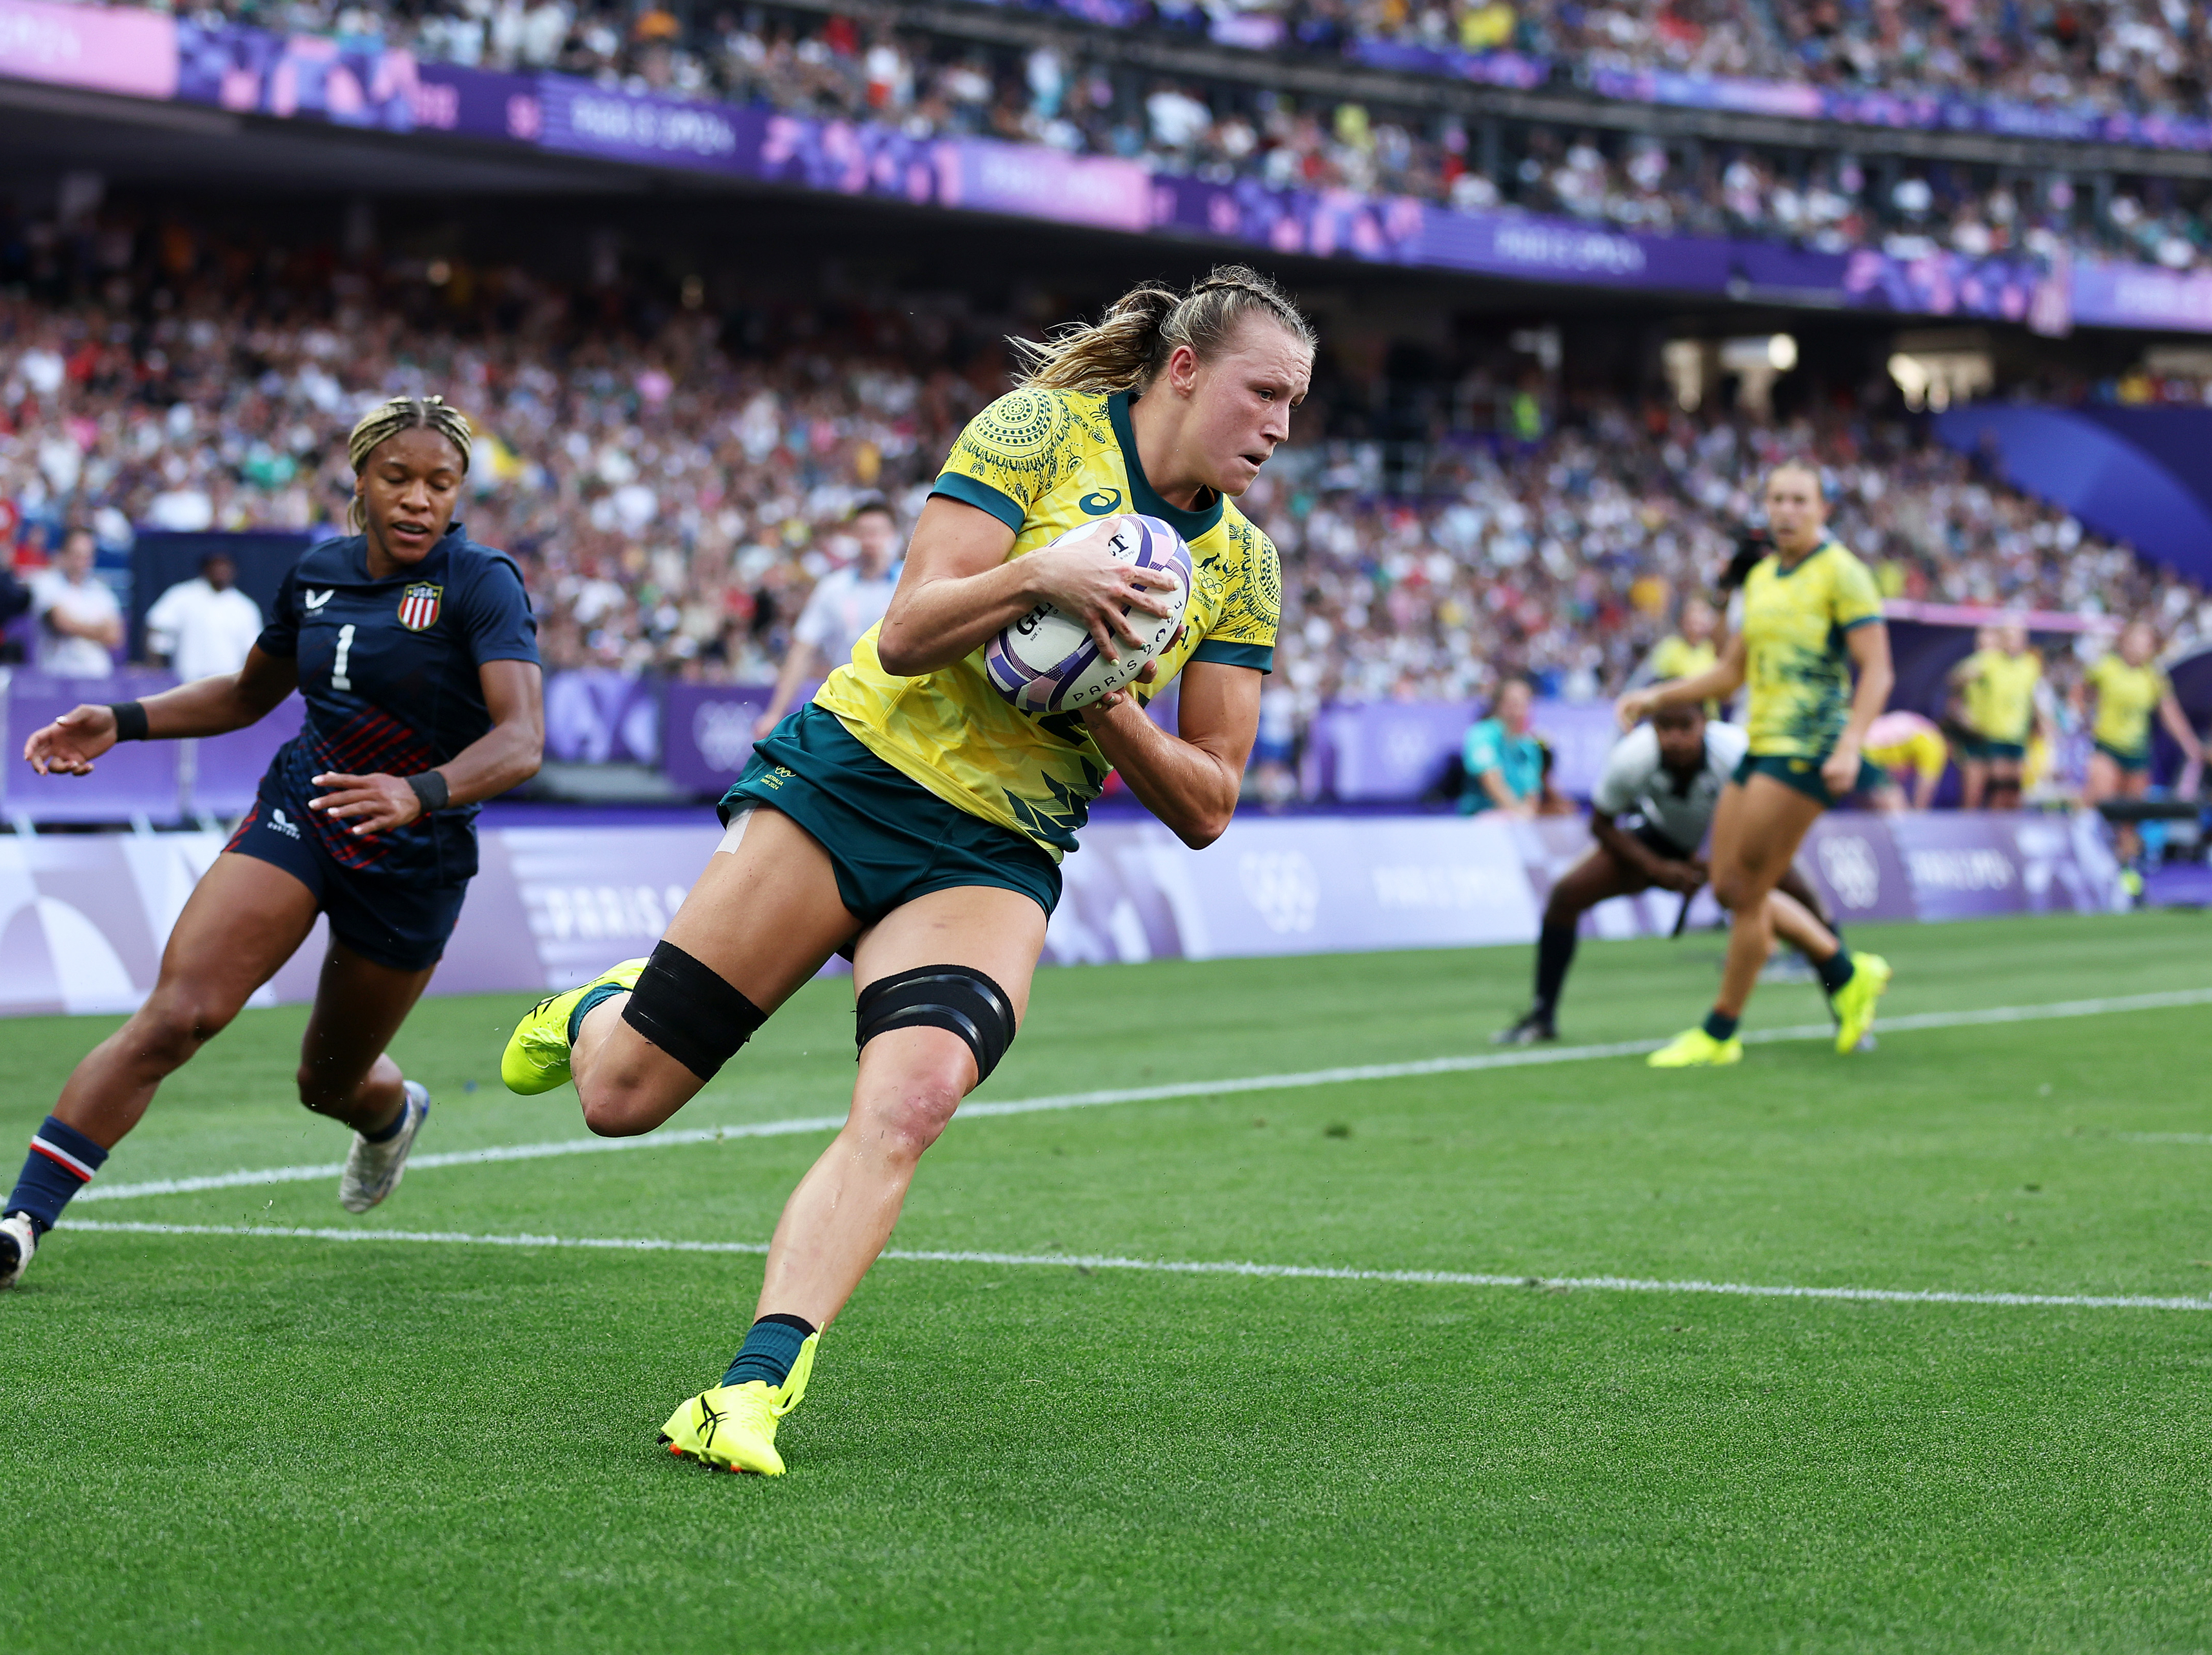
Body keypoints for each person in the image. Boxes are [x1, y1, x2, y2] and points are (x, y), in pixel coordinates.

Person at [498, 266, 1308, 1476]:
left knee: (916, 1095)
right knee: (620, 1098)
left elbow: (1210, 801)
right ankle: (600, 1010)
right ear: (1185, 372)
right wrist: (1046, 578)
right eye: (1264, 394)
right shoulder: (1037, 430)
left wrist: (1107, 705)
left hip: (998, 847)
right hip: (854, 780)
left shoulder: (1241, 566)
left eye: (1296, 404)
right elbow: (907, 629)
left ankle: (748, 1391)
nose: (1282, 429)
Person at [0, 397, 544, 1290]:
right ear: (358, 479)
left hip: (410, 858)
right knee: (180, 1013)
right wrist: (120, 721)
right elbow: (243, 696)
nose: (420, 499)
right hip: (302, 810)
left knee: (327, 1083)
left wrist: (416, 792)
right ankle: (20, 1220)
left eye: (440, 482)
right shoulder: (315, 575)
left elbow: (521, 739)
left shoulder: (482, 581)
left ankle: (389, 1114)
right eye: (398, 478)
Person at [1617, 461, 1895, 1068]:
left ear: (1823, 509)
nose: (1787, 511)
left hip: (1809, 748)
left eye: (1800, 500)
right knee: (1729, 886)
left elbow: (1878, 669)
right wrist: (1659, 697)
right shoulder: (1763, 578)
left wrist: (1851, 744)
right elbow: (1731, 671)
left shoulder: (1843, 573)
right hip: (1760, 742)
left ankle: (1721, 1032)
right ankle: (1847, 972)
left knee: (1748, 892)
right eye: (1776, 500)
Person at [1495, 697, 1852, 1045]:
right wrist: (1658, 868)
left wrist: (1717, 859)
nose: (1676, 739)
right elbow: (1602, 825)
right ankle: (1542, 1017)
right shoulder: (1632, 757)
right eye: (1665, 728)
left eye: (1686, 727)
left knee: (1807, 901)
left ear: (1706, 724)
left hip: (1737, 844)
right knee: (1565, 894)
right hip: (1660, 841)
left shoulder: (1736, 751)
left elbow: (1773, 815)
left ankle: (1849, 1010)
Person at [752, 498, 904, 738]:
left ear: (893, 536)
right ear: (853, 538)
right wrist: (775, 713)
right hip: (847, 712)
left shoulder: (909, 585)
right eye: (863, 533)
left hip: (902, 711)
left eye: (877, 533)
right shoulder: (833, 588)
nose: (870, 541)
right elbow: (802, 651)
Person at [2078, 619, 2204, 875]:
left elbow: (2170, 713)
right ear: (2125, 642)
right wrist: (2082, 718)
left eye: (2146, 643)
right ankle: (2086, 865)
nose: (2140, 648)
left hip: (2136, 753)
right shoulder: (2106, 668)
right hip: (2108, 747)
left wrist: (2190, 744)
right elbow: (2080, 692)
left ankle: (2125, 872)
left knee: (2132, 817)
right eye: (2136, 641)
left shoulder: (2153, 676)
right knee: (2098, 801)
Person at [1948, 616, 2042, 809]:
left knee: (2011, 792)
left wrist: (2040, 723)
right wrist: (1963, 713)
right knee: (1986, 792)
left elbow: (2031, 699)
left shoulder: (2029, 665)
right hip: (1986, 736)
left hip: (2015, 737)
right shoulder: (1987, 662)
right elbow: (1955, 683)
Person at [146, 549, 266, 681]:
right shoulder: (181, 595)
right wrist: (155, 668)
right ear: (205, 569)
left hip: (229, 684)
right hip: (186, 680)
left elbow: (252, 648)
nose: (220, 572)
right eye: (215, 566)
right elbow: (158, 629)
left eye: (225, 567)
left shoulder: (245, 607)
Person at [1458, 675, 1569, 818]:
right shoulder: (1482, 734)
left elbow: (1532, 793)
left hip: (1517, 822)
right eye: (1513, 703)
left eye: (1525, 704)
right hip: (1482, 820)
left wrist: (1527, 813)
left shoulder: (1529, 746)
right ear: (1498, 705)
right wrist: (1518, 812)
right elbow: (1491, 780)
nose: (1519, 711)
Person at [32, 527, 125, 676]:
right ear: (64, 555)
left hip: (97, 678)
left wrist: (77, 626)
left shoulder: (102, 592)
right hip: (57, 678)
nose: (82, 562)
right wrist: (99, 630)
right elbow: (61, 623)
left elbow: (115, 637)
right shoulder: (47, 583)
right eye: (77, 555)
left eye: (87, 556)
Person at [1861, 710, 1948, 810]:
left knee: (1869, 815)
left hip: (1856, 744)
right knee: (1900, 816)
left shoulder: (1924, 727)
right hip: (1865, 754)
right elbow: (1924, 793)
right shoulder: (1936, 745)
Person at [1640, 595, 1724, 685]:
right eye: (1693, 620)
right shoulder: (1670, 647)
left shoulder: (1710, 648)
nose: (1697, 627)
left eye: (1702, 614)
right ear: (1683, 620)